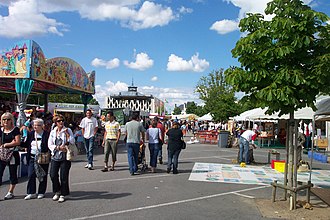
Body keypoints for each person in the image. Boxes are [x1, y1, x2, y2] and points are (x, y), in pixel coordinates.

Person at [48, 114, 75, 203]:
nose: (61, 122)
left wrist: (67, 135)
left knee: (64, 175)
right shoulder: (53, 132)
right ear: (55, 122)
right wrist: (57, 148)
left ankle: (63, 193)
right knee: (53, 174)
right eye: (59, 121)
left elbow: (72, 141)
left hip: (65, 156)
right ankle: (57, 191)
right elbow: (50, 144)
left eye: (62, 121)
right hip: (55, 155)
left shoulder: (68, 130)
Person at [23, 118, 50, 200]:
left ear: (42, 126)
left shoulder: (46, 134)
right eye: (34, 125)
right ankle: (31, 192)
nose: (35, 127)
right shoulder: (31, 134)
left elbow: (49, 145)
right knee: (31, 174)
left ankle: (41, 192)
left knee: (43, 175)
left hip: (43, 157)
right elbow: (26, 143)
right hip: (32, 157)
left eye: (37, 125)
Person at [0, 112, 21, 200]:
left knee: (12, 173)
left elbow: (17, 142)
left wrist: (6, 144)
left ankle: (10, 191)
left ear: (11, 120)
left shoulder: (15, 130)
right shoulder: (1, 130)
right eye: (4, 119)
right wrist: (10, 143)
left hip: (13, 154)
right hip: (2, 154)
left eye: (8, 119)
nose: (6, 121)